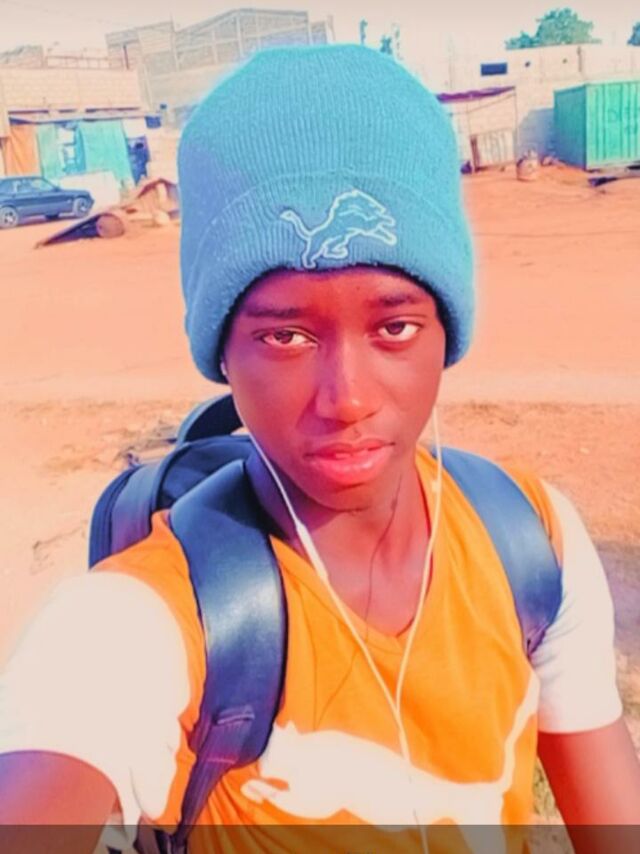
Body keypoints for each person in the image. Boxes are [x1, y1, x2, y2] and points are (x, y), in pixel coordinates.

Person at [1, 43, 639, 854]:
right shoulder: (150, 619)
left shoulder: (531, 542)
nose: (348, 399)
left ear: (447, 332)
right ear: (221, 351)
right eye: (285, 336)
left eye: (395, 326)